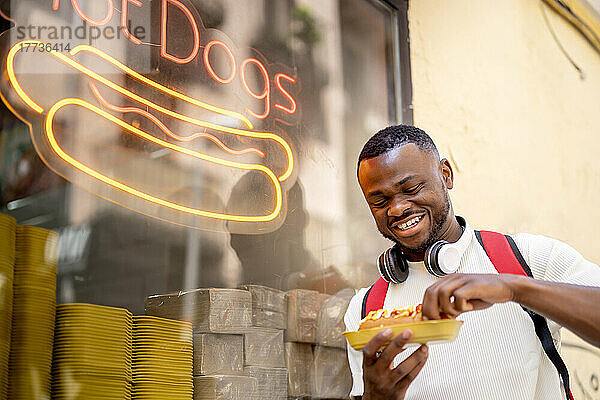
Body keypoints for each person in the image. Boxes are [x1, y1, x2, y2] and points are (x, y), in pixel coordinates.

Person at [344, 125, 600, 400]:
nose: (397, 208)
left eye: (411, 188)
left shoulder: (525, 258)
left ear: (446, 175)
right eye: (380, 201)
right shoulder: (363, 310)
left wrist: (515, 288)